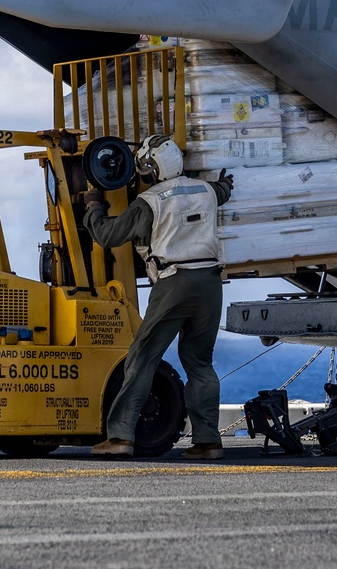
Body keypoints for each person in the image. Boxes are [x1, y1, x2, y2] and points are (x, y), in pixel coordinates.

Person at [82, 133, 233, 462]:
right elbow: (224, 190)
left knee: (143, 358)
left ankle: (121, 435)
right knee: (200, 363)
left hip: (174, 283)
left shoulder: (149, 202)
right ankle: (208, 441)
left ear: (152, 170)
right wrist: (226, 183)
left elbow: (107, 235)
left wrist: (93, 206)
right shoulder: (208, 191)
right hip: (210, 284)